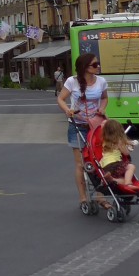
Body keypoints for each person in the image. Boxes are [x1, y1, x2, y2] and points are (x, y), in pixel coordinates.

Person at [57, 52, 109, 206]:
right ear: (85, 67)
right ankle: (83, 198)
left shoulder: (101, 81)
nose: (98, 66)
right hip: (77, 125)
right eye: (94, 64)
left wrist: (102, 108)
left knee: (101, 161)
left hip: (96, 125)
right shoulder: (72, 82)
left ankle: (100, 197)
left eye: (98, 63)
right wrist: (67, 110)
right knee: (81, 164)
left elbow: (104, 98)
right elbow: (61, 98)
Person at [98, 118, 136, 188]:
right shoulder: (119, 141)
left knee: (122, 179)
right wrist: (131, 148)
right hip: (115, 164)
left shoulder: (105, 140)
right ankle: (128, 183)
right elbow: (126, 153)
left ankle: (112, 179)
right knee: (131, 167)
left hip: (105, 166)